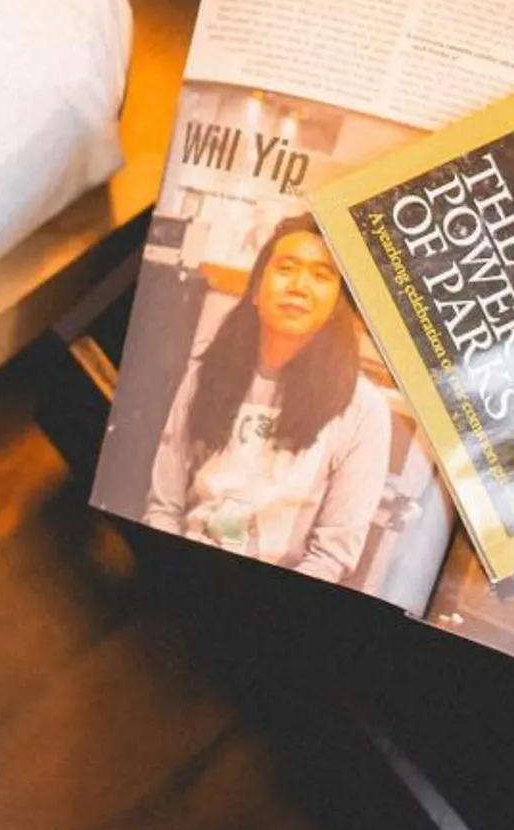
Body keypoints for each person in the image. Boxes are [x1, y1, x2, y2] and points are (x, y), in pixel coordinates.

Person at [143, 212, 390, 581]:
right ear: (257, 290)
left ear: (338, 303)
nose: (299, 285)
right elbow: (164, 505)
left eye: (322, 276)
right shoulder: (205, 373)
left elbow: (332, 556)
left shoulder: (364, 409)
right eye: (286, 268)